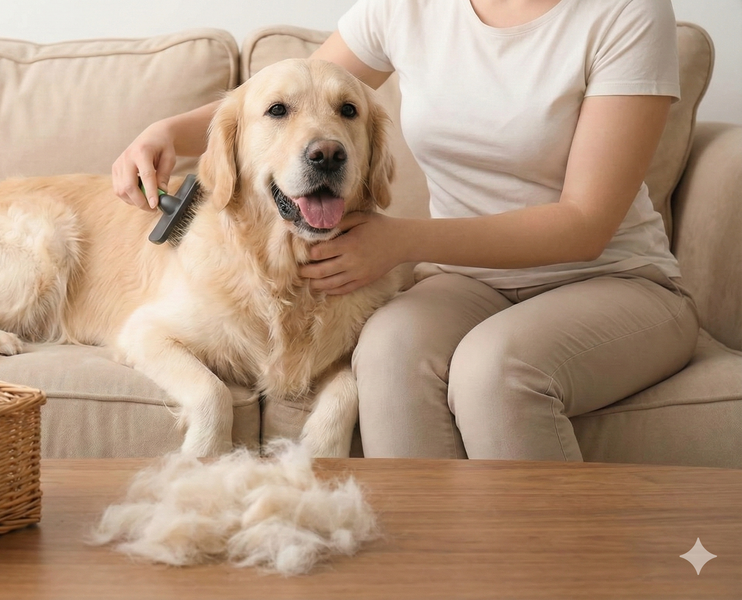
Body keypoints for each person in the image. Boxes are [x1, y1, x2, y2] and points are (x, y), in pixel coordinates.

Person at [110, 0, 699, 461]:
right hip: (471, 280)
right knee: (387, 353)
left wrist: (402, 240)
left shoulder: (626, 12)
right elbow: (292, 98)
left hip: (615, 278)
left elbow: (584, 225)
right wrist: (163, 132)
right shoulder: (407, 8)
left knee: (494, 370)